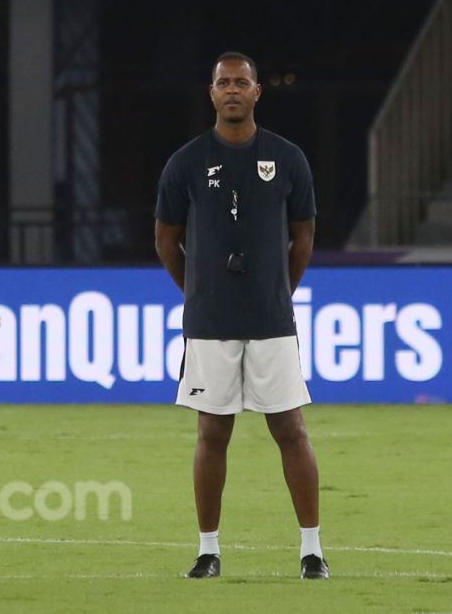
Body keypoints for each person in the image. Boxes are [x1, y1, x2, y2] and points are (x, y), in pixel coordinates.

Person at [154, 52, 327, 580]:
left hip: (272, 320)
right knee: (212, 434)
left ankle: (312, 550)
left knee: (291, 430)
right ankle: (209, 551)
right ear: (211, 92)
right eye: (223, 82)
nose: (232, 90)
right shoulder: (185, 162)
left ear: (257, 93)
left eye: (242, 82)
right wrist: (199, 293)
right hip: (210, 323)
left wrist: (278, 291)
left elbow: (303, 237)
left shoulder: (287, 157)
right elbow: (166, 240)